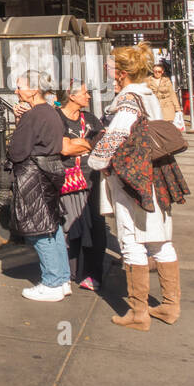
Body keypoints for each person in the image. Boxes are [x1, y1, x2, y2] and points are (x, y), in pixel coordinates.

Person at [88, 44, 186, 330]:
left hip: (132, 180)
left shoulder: (128, 100)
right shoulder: (148, 94)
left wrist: (95, 160)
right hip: (155, 175)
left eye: (110, 66)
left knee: (131, 241)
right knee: (160, 241)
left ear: (121, 72)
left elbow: (116, 137)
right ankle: (169, 306)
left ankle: (138, 313)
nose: (107, 70)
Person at [8, 73, 71, 301]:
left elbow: (17, 150)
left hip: (33, 174)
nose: (16, 91)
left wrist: (19, 125)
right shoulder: (51, 112)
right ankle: (62, 278)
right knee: (51, 226)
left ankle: (53, 281)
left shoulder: (34, 115)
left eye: (19, 87)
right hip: (51, 171)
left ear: (33, 90)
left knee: (38, 230)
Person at [56, 83, 106, 291]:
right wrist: (88, 142)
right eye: (85, 93)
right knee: (69, 226)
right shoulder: (57, 117)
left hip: (91, 178)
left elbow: (103, 141)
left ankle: (93, 274)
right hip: (66, 180)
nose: (88, 97)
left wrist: (80, 143)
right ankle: (69, 271)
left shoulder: (91, 118)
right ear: (72, 95)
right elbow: (64, 148)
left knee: (96, 225)